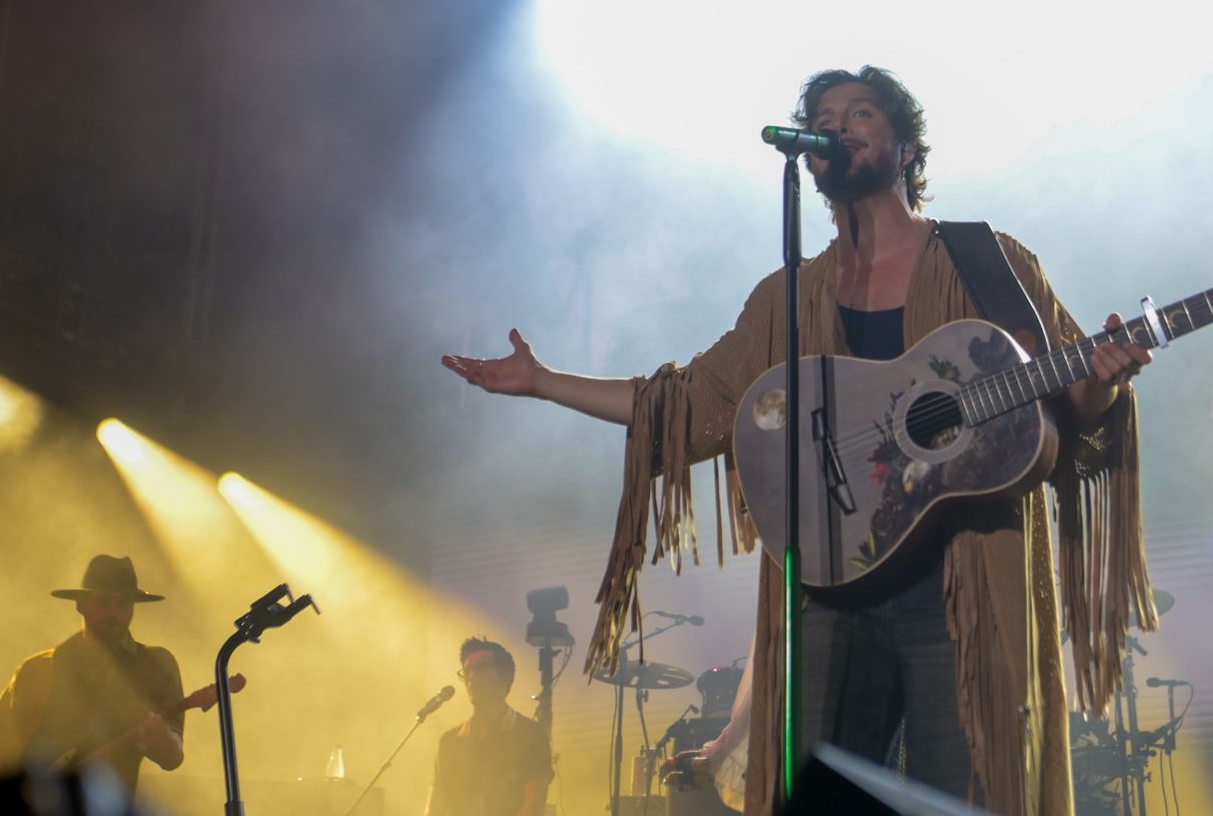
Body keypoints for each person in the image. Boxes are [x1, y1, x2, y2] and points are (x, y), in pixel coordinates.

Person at [443, 67, 1157, 815]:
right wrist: (545, 381)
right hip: (828, 581)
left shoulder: (987, 260)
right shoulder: (789, 296)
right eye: (823, 117)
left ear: (909, 146)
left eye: (860, 113)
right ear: (808, 156)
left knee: (968, 793)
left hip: (959, 580)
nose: (838, 126)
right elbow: (687, 405)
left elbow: (1071, 404)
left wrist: (1106, 376)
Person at [0, 555, 185, 796]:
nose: (113, 612)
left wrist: (160, 739)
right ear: (80, 604)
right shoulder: (37, 668)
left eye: (122, 604)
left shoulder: (156, 665)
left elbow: (172, 757)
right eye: (103, 601)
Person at [424, 637, 551, 816]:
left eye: (481, 668)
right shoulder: (449, 742)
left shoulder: (530, 735)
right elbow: (434, 808)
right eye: (467, 671)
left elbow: (533, 806)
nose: (472, 677)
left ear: (506, 677)